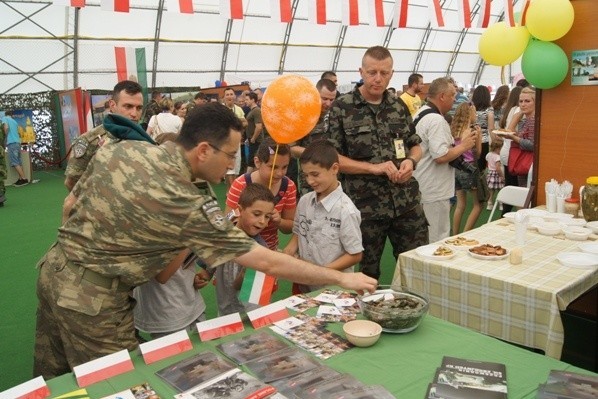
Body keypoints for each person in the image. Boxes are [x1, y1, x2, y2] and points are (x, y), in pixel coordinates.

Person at [34, 102, 376, 379]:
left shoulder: (125, 150)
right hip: (94, 302)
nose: (231, 165)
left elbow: (71, 200)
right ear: (202, 150)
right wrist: (341, 277)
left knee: (57, 377)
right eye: (229, 155)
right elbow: (265, 260)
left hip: (53, 271)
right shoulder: (186, 199)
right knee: (119, 382)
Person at [328, 45, 428, 281]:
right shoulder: (342, 108)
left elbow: (415, 145)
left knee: (417, 267)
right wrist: (374, 168)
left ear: (392, 74)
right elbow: (333, 159)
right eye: (372, 72)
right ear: (361, 72)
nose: (378, 78)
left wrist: (411, 162)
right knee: (366, 274)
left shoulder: (398, 106)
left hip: (406, 203)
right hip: (365, 208)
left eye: (384, 73)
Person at [283, 140, 363, 294]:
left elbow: (355, 254)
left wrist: (320, 272)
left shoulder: (345, 210)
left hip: (334, 289)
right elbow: (299, 233)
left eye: (315, 174)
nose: (310, 181)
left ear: (334, 169)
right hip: (304, 284)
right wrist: (288, 252)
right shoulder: (305, 201)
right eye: (306, 175)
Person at [413, 78, 476, 243]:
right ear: (442, 96)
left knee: (425, 236)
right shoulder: (436, 120)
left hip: (422, 184)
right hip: (434, 189)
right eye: (453, 95)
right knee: (437, 238)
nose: (455, 99)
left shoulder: (422, 112)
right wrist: (464, 145)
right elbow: (440, 156)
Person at [64, 80, 145, 192]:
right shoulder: (90, 140)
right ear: (112, 105)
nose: (134, 114)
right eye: (128, 106)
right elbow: (72, 182)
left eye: (139, 108)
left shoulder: (145, 139)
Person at [225, 138, 297, 250]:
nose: (279, 173)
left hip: (269, 249)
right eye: (273, 167)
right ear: (257, 162)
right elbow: (228, 221)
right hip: (240, 248)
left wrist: (279, 221)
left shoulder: (289, 186)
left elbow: (290, 226)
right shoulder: (240, 184)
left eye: (284, 167)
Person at [215, 183, 275, 316]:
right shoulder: (224, 232)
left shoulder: (261, 250)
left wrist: (246, 274)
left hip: (248, 318)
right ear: (240, 210)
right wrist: (205, 273)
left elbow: (253, 300)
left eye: (267, 217)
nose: (262, 222)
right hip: (225, 313)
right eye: (257, 214)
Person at [289, 78, 337, 196]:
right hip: (310, 180)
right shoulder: (303, 116)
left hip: (332, 178)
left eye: (332, 99)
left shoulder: (336, 116)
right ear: (315, 95)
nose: (328, 103)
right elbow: (292, 148)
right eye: (324, 99)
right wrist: (315, 153)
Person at [450, 103, 483, 235]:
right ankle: (465, 233)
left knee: (460, 204)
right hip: (470, 169)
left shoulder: (454, 131)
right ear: (470, 114)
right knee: (478, 204)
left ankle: (455, 234)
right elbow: (478, 153)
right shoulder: (473, 131)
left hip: (457, 169)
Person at [503, 86, 536, 187]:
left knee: (526, 195)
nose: (523, 104)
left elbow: (532, 145)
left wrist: (514, 138)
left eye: (527, 101)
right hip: (523, 164)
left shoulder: (533, 121)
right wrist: (517, 116)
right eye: (521, 101)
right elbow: (510, 132)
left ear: (535, 102)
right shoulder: (525, 119)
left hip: (528, 164)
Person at [498, 86, 522, 215]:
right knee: (516, 189)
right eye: (523, 100)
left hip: (506, 151)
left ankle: (504, 214)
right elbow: (511, 131)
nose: (524, 103)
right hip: (513, 154)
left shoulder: (510, 109)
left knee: (510, 186)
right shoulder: (518, 111)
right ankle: (506, 215)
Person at [223, 88, 248, 187]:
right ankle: (231, 189)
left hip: (236, 141)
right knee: (229, 165)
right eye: (227, 94)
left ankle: (232, 188)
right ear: (224, 97)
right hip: (224, 141)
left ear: (234, 96)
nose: (229, 96)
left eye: (231, 94)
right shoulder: (221, 109)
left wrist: (237, 122)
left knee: (236, 165)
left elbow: (245, 122)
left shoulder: (238, 109)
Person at [2, 110, 29, 186]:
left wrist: (5, 137)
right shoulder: (14, 122)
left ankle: (24, 179)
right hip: (17, 142)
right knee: (18, 161)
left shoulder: (4, 118)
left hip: (11, 142)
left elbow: (6, 127)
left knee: (14, 161)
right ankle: (20, 179)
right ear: (12, 115)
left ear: (5, 114)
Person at [471, 85, 493, 172]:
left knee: (473, 164)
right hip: (484, 141)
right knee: (482, 167)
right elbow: (491, 129)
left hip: (472, 139)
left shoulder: (471, 108)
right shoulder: (489, 110)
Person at [244, 92, 264, 173]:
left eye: (247, 99)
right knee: (253, 161)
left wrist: (253, 138)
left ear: (253, 100)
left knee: (252, 162)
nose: (245, 101)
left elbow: (259, 127)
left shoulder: (256, 111)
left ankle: (247, 181)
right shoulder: (252, 110)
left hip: (256, 141)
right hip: (252, 140)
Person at [485, 140, 505, 210]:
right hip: (497, 174)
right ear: (497, 148)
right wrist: (502, 176)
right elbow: (498, 168)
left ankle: (489, 203)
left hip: (490, 173)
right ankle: (501, 204)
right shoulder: (498, 157)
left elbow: (487, 163)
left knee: (491, 189)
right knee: (500, 189)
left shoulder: (488, 154)